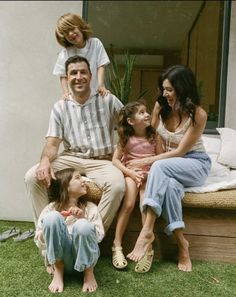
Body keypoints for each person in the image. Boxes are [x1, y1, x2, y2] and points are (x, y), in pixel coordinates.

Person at [25, 55, 125, 233]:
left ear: (91, 75)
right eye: (73, 73)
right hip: (71, 158)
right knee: (32, 177)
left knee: (117, 186)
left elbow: (129, 128)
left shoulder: (107, 99)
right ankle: (48, 233)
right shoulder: (60, 107)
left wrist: (123, 154)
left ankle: (90, 236)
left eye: (83, 72)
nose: (78, 77)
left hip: (102, 160)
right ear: (67, 78)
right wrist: (45, 161)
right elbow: (53, 144)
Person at [126, 65, 212, 272]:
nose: (165, 94)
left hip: (195, 164)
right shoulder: (160, 106)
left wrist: (145, 162)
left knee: (160, 166)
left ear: (183, 89)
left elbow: (181, 152)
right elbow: (152, 136)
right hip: (169, 165)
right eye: (163, 89)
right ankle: (182, 245)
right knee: (171, 188)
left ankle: (147, 230)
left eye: (170, 90)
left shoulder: (198, 114)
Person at [111, 101, 163, 273]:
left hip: (149, 176)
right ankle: (117, 245)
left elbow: (162, 158)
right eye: (141, 112)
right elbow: (115, 160)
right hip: (131, 175)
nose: (147, 114)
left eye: (146, 111)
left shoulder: (154, 136)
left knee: (145, 205)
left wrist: (147, 174)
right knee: (128, 204)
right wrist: (131, 174)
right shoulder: (126, 139)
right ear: (131, 121)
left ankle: (147, 248)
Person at [34, 168, 104, 293]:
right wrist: (54, 226)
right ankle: (58, 271)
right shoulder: (51, 208)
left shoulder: (90, 208)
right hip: (61, 260)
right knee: (52, 218)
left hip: (84, 261)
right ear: (66, 186)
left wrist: (83, 219)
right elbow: (39, 240)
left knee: (83, 224)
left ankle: (88, 273)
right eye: (78, 178)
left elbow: (98, 237)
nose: (83, 181)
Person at [53, 12, 110, 98]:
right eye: (66, 33)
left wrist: (101, 86)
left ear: (79, 26)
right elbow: (63, 75)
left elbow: (100, 66)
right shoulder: (65, 53)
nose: (70, 34)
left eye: (72, 29)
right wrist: (66, 93)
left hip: (95, 93)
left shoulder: (95, 44)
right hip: (77, 96)